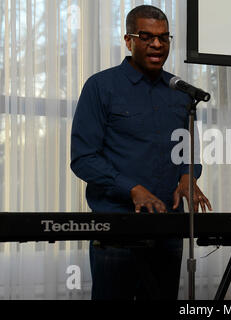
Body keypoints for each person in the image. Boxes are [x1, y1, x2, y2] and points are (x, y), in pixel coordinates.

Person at [70, 5, 212, 300]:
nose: (157, 44)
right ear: (128, 40)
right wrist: (132, 189)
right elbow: (83, 158)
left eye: (164, 37)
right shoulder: (100, 87)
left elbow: (189, 151)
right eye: (146, 36)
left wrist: (188, 175)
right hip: (117, 232)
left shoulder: (180, 92)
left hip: (170, 230)